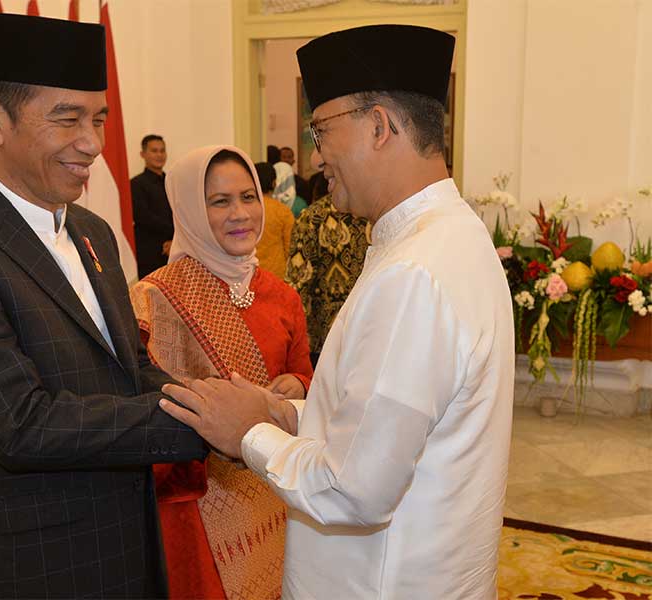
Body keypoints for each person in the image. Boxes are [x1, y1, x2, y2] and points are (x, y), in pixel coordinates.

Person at [159, 24, 515, 599]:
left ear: (379, 126)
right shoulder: (451, 236)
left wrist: (247, 432)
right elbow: (392, 421)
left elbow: (354, 492)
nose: (317, 154)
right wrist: (288, 413)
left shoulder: (414, 273)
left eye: (322, 131)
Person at [0, 14, 204, 599]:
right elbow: (20, 424)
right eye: (68, 118)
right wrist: (205, 426)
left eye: (100, 118)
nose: (92, 142)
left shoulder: (92, 231)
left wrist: (216, 396)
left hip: (130, 544)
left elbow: (132, 369)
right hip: (37, 564)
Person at [130, 145, 313, 600]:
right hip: (193, 504)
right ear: (190, 209)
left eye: (249, 197)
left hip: (276, 486)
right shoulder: (153, 300)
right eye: (219, 201)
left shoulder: (283, 295)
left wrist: (297, 387)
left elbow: (307, 379)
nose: (241, 214)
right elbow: (138, 410)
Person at [286, 189, 371, 364]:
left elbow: (297, 285)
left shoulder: (312, 218)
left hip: (325, 341)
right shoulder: (376, 215)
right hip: (368, 334)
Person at [131, 134, 175, 278]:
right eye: (154, 151)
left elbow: (181, 212)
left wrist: (175, 239)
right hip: (149, 252)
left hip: (175, 247)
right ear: (143, 154)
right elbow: (143, 217)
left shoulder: (173, 182)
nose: (159, 155)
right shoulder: (136, 184)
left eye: (162, 151)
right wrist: (172, 233)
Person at [254, 161, 295, 279]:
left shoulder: (245, 211)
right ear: (274, 183)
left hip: (249, 276)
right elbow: (290, 249)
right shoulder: (282, 211)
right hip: (276, 276)